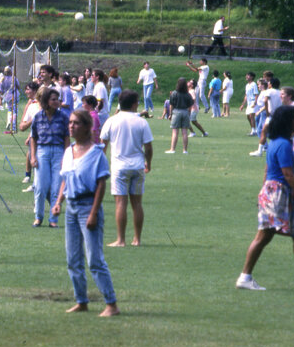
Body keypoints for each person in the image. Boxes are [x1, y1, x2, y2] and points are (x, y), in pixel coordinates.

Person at [235, 105, 294, 292]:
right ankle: (245, 277)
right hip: (278, 193)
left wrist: (262, 190)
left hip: (281, 193)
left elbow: (267, 170)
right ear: (287, 122)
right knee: (265, 235)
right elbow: (288, 175)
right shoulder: (282, 145)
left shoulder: (278, 142)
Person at [51, 108, 119, 317]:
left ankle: (111, 304)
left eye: (76, 123)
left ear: (88, 127)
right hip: (71, 207)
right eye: (70, 123)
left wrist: (93, 213)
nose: (71, 126)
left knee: (94, 260)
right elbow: (66, 178)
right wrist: (58, 202)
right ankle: (81, 300)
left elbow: (101, 185)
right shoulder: (68, 151)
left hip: (88, 206)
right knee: (73, 258)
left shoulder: (96, 153)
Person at [100, 90, 153, 246]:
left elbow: (102, 145)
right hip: (137, 166)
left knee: (120, 203)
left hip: (119, 167)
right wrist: (148, 163)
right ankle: (137, 239)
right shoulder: (142, 122)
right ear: (134, 104)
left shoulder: (111, 121)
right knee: (137, 204)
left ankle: (120, 239)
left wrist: (101, 165)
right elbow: (148, 147)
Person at [29, 87, 69, 228]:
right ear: (46, 101)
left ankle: (53, 219)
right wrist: (33, 156)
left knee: (56, 187)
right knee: (40, 187)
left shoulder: (63, 117)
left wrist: (66, 156)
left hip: (58, 152)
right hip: (42, 151)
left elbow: (66, 138)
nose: (57, 102)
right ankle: (38, 217)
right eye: (53, 99)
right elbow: (33, 138)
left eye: (58, 99)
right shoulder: (38, 117)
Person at [17, 81, 41, 190]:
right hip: (34, 138)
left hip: (46, 139)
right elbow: (22, 126)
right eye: (25, 89)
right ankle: (34, 182)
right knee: (34, 159)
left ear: (35, 91)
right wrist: (31, 121)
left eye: (28, 89)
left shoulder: (45, 104)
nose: (26, 91)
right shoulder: (31, 106)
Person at [165, 78, 193, 154]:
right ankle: (185, 150)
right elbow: (190, 106)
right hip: (185, 112)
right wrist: (189, 114)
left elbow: (171, 105)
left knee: (175, 132)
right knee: (184, 132)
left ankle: (172, 149)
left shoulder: (174, 93)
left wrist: (170, 114)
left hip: (176, 112)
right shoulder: (188, 94)